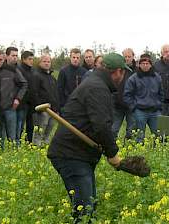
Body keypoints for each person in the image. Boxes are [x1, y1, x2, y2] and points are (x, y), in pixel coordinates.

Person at [47, 53, 128, 222]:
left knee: (89, 204)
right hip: (71, 154)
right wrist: (112, 154)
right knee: (84, 210)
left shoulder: (95, 83)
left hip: (78, 154)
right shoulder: (97, 87)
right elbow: (101, 125)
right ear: (118, 71)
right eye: (123, 73)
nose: (123, 77)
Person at [0, 50, 27, 150]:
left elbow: (24, 84)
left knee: (12, 136)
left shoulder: (12, 71)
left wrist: (18, 99)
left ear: (4, 59)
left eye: (0, 60)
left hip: (10, 107)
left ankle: (13, 156)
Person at [123, 54, 164, 143]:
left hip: (155, 111)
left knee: (158, 136)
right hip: (140, 111)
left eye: (147, 63)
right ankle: (140, 154)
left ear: (150, 65)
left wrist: (159, 105)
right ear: (139, 65)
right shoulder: (133, 78)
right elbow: (127, 95)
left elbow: (161, 93)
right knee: (139, 136)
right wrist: (134, 107)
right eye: (143, 63)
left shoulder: (157, 77)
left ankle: (157, 154)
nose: (145, 65)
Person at [32, 54, 59, 147]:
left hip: (53, 111)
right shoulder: (36, 76)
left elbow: (56, 93)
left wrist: (56, 108)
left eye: (48, 61)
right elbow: (34, 93)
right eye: (44, 61)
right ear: (40, 63)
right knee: (40, 131)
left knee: (49, 131)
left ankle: (45, 147)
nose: (47, 63)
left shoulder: (52, 78)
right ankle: (36, 148)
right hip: (42, 110)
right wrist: (40, 107)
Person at [112, 49, 136, 139]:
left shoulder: (137, 71)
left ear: (133, 57)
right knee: (113, 129)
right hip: (118, 105)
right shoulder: (118, 69)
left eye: (129, 56)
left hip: (131, 106)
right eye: (125, 57)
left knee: (131, 130)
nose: (127, 59)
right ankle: (112, 148)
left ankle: (129, 148)